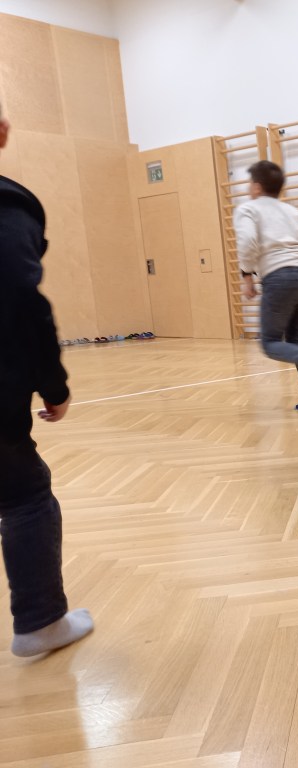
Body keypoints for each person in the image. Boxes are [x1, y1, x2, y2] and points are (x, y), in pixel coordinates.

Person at [0, 100, 93, 656]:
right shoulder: (8, 205)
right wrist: (53, 387)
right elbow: (19, 298)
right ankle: (40, 622)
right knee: (25, 493)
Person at [235, 160, 298, 412]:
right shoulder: (294, 212)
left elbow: (247, 242)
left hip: (279, 275)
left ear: (257, 186)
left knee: (270, 343)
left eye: (250, 182)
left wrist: (247, 276)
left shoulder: (248, 209)